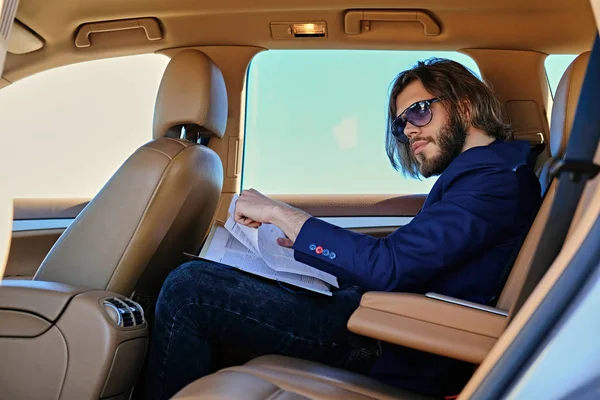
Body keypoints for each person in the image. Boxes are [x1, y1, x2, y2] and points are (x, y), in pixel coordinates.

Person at [142, 58, 542, 400]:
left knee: (189, 290)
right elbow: (408, 255)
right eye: (401, 122)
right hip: (379, 316)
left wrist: (283, 213)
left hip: (391, 338)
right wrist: (300, 244)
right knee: (213, 277)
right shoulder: (481, 174)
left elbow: (392, 266)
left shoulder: (496, 179)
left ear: (466, 106)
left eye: (419, 111)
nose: (408, 131)